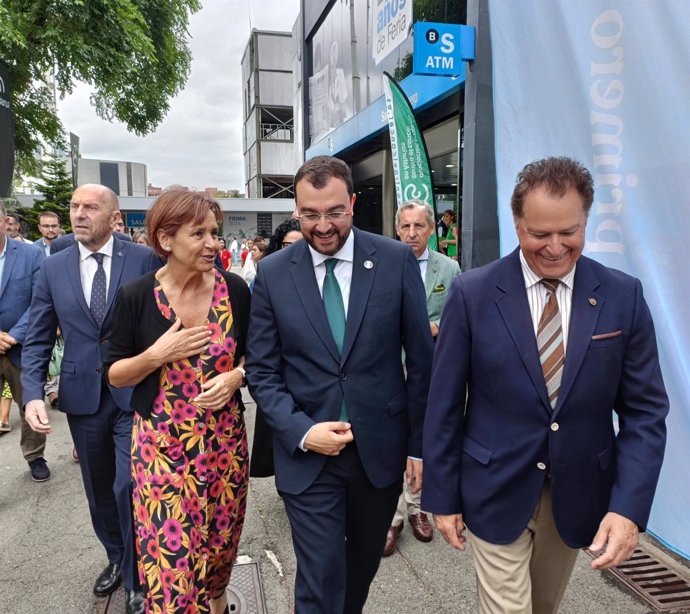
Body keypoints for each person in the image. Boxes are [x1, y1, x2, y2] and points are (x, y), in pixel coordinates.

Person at [422, 157, 669, 614]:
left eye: (568, 232)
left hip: (577, 493)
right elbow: (444, 404)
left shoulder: (622, 295)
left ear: (586, 222)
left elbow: (645, 413)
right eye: (540, 234)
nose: (555, 247)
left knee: (542, 607)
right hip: (492, 486)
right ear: (517, 224)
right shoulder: (472, 294)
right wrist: (441, 495)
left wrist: (629, 508)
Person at [245, 155, 433, 614]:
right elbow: (263, 371)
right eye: (310, 214)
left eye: (334, 212)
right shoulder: (273, 273)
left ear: (352, 202)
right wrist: (303, 431)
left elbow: (422, 363)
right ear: (296, 209)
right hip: (308, 456)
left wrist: (419, 447)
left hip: (379, 454)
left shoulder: (393, 260)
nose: (323, 226)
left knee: (360, 567)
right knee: (319, 575)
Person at [105, 189, 250, 614]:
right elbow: (113, 373)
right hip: (162, 453)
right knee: (171, 572)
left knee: (220, 553)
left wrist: (236, 376)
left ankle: (220, 603)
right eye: (199, 234)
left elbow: (255, 354)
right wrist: (155, 356)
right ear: (166, 240)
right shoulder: (136, 296)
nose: (213, 243)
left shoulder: (235, 289)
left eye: (215, 233)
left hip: (225, 448)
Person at [22, 184, 160, 614]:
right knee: (98, 491)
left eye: (91, 207)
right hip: (81, 396)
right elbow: (39, 335)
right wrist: (31, 395)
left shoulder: (143, 259)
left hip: (133, 395)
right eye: (74, 206)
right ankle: (117, 557)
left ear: (115, 217)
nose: (80, 214)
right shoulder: (53, 268)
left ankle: (139, 578)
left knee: (128, 486)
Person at [384, 200, 460, 556]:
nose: (411, 233)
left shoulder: (450, 269)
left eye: (418, 226)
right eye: (405, 227)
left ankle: (417, 509)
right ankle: (395, 516)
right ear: (396, 229)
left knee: (423, 437)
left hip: (431, 368)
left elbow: (461, 321)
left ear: (431, 229)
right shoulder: (384, 266)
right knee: (396, 440)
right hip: (388, 368)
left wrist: (436, 327)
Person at [249, 218, 303, 478]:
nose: (292, 250)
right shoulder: (267, 278)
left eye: (299, 244)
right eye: (286, 244)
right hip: (275, 375)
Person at [0, 201, 46, 477]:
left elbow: (39, 301)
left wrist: (14, 335)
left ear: (6, 222)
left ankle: (35, 456)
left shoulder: (32, 255)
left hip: (20, 347)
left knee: (29, 403)